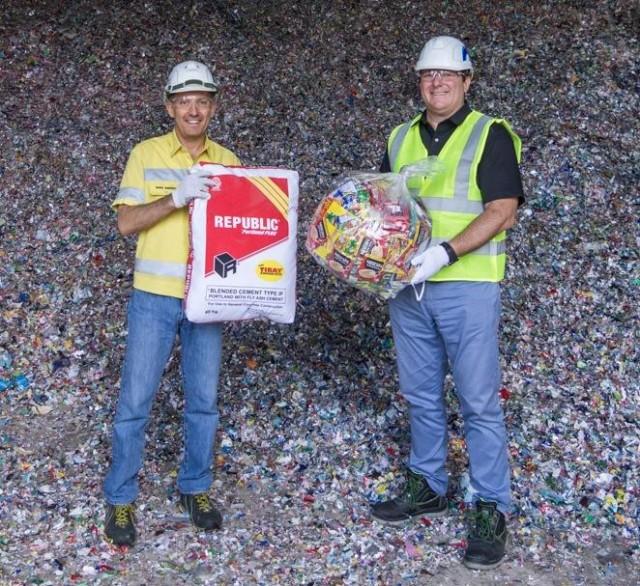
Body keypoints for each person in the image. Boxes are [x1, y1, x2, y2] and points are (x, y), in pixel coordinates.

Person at [370, 36, 524, 570]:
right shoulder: (399, 137)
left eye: (447, 75)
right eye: (428, 74)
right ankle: (430, 483)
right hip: (409, 288)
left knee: (478, 401)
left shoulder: (491, 135)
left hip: (467, 285)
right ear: (419, 81)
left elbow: (503, 209)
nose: (436, 82)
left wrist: (444, 253)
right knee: (419, 393)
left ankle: (489, 506)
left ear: (466, 81)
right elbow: (383, 209)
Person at [103, 60, 241, 547]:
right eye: (185, 101)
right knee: (135, 403)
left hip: (207, 299)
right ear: (170, 107)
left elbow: (242, 234)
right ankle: (120, 498)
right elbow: (125, 223)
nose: (193, 109)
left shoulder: (230, 160)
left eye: (202, 100)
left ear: (213, 107)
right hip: (154, 300)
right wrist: (175, 198)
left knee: (203, 404)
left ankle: (195, 488)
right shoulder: (145, 154)